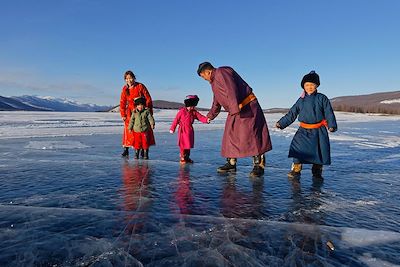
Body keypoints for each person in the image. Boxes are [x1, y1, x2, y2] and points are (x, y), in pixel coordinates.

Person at [197, 62, 272, 177]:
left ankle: (259, 165)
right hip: (236, 109)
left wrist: (234, 109)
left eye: (203, 76)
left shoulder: (222, 72)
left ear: (208, 72)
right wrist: (210, 116)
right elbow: (216, 101)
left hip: (247, 107)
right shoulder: (213, 82)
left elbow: (231, 89)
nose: (204, 79)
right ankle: (231, 163)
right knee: (229, 135)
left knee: (252, 135)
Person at [275, 71, 337, 179]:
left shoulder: (322, 98)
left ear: (316, 85)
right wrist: (281, 123)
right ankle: (296, 170)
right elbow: (292, 113)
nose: (309, 87)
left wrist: (331, 125)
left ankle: (317, 171)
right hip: (303, 130)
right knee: (297, 149)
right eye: (307, 85)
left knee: (318, 152)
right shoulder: (301, 100)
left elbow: (328, 112)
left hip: (318, 130)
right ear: (303, 86)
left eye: (312, 85)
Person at [119, 70, 155, 157]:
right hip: (130, 112)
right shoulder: (125, 89)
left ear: (134, 78)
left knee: (143, 130)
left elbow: (148, 98)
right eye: (127, 79)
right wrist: (123, 114)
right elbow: (122, 102)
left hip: (141, 110)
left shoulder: (140, 86)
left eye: (130, 78)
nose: (129, 80)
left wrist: (148, 110)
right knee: (129, 130)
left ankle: (143, 148)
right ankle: (126, 149)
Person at [170, 95, 209, 164]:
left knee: (188, 144)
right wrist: (172, 128)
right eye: (192, 106)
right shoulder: (182, 111)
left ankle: (187, 157)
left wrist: (206, 120)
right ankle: (182, 157)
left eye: (194, 106)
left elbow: (200, 117)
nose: (193, 107)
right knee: (183, 144)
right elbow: (176, 120)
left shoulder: (194, 112)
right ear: (188, 105)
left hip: (189, 130)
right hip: (182, 130)